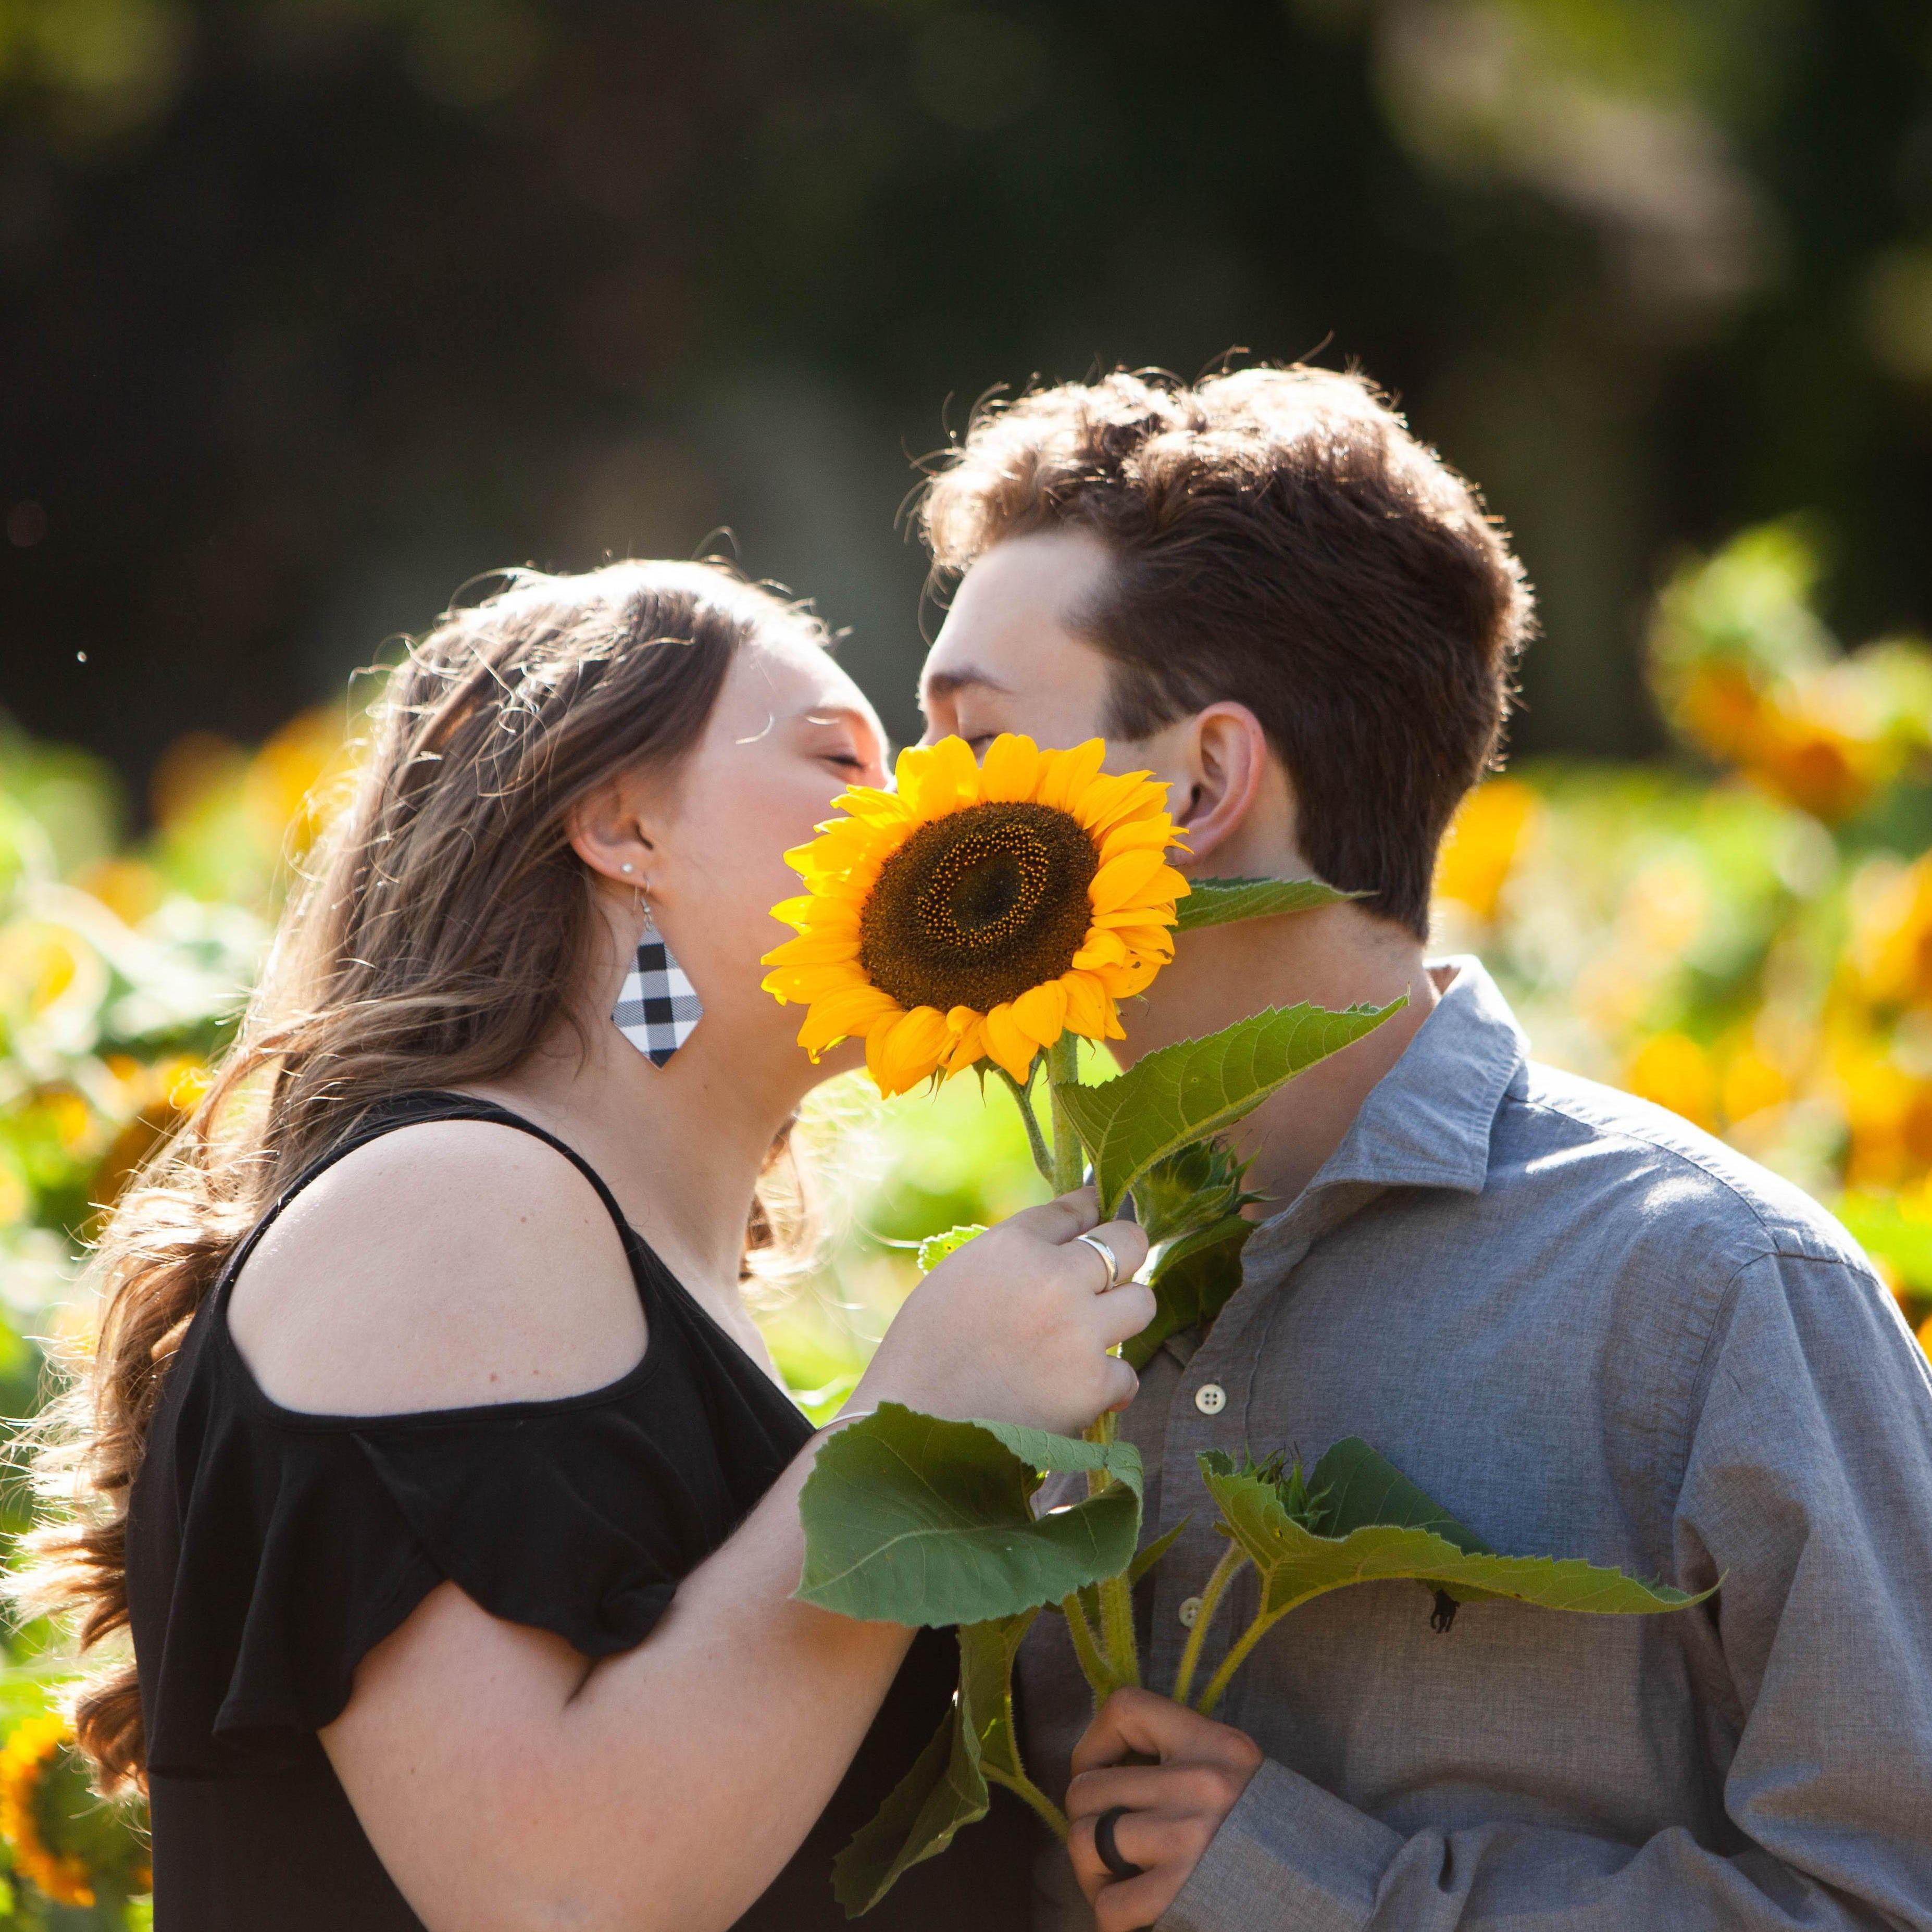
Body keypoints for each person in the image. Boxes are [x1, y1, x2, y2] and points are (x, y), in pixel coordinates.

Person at [913, 366, 1932, 1932]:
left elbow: (1890, 1896)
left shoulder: (1716, 1293)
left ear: (1201, 785)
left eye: (974, 743)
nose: (918, 816)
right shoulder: (1033, 1298)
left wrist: (1327, 1894)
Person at [21, 560, 1155, 1932]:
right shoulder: (454, 1199)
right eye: (841, 760)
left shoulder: (583, 1248)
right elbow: (552, 1895)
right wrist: (916, 1428)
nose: (921, 808)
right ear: (621, 824)